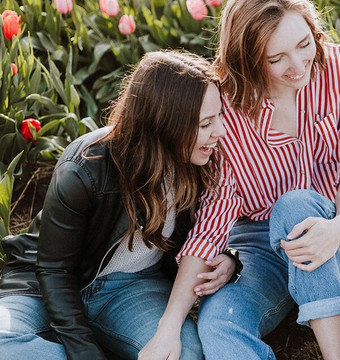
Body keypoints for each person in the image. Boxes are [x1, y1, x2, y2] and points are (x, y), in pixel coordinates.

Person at [141, 1, 340, 359]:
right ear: (247, 59)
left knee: (295, 206)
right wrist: (169, 326)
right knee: (219, 325)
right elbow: (214, 218)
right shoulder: (226, 106)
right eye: (276, 59)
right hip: (260, 247)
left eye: (304, 45)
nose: (298, 66)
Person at [0, 50, 235, 359]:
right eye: (206, 123)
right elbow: (54, 270)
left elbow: (216, 226)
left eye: (219, 116)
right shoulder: (85, 168)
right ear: (165, 124)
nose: (220, 130)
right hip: (44, 286)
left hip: (131, 289)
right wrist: (85, 353)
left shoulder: (204, 162)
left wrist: (229, 258)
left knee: (185, 354)